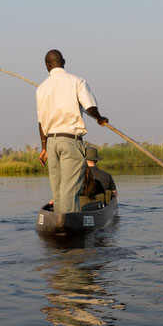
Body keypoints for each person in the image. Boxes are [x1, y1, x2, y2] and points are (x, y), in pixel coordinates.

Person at [36, 49, 108, 213]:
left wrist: (44, 148)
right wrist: (99, 118)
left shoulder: (41, 88)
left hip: (52, 142)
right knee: (70, 187)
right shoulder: (76, 81)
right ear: (64, 62)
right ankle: (68, 223)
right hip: (70, 140)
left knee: (58, 188)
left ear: (47, 66)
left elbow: (41, 122)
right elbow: (89, 106)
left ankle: (59, 222)